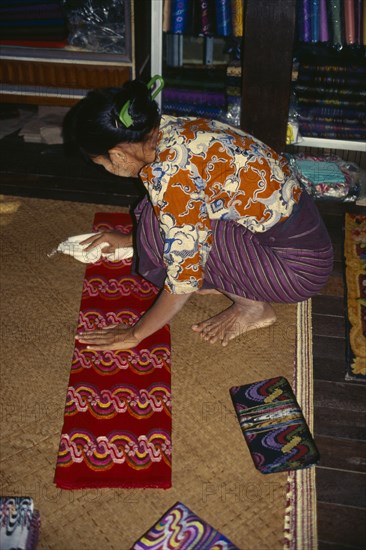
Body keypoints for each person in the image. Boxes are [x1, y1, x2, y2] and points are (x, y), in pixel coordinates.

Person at [67, 77, 333, 351]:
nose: (106, 169)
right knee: (158, 217)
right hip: (304, 236)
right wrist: (128, 241)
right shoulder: (172, 128)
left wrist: (135, 334)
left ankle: (253, 308)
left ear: (118, 155)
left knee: (170, 236)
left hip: (297, 271)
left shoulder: (168, 175)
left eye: (102, 164)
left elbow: (184, 277)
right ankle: (231, 278)